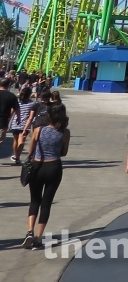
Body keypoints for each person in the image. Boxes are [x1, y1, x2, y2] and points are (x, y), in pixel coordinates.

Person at [23, 103, 70, 249]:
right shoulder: (65, 132)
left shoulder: (38, 130)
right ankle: (38, 238)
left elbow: (30, 151)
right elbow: (64, 153)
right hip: (54, 167)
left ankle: (29, 232)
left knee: (34, 200)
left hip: (37, 166)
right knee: (46, 203)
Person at [0, 77, 21, 152]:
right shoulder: (11, 96)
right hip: (3, 122)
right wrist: (18, 118)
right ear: (8, 85)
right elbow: (17, 108)